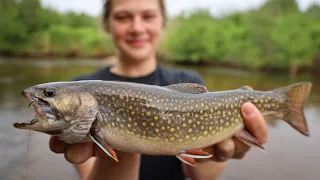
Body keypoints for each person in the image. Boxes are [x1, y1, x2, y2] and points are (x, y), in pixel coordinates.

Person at [49, 0, 268, 179]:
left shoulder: (189, 81)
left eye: (148, 16)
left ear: (163, 22)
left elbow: (202, 176)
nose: (137, 28)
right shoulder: (80, 89)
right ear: (107, 24)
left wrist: (219, 154)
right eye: (123, 17)